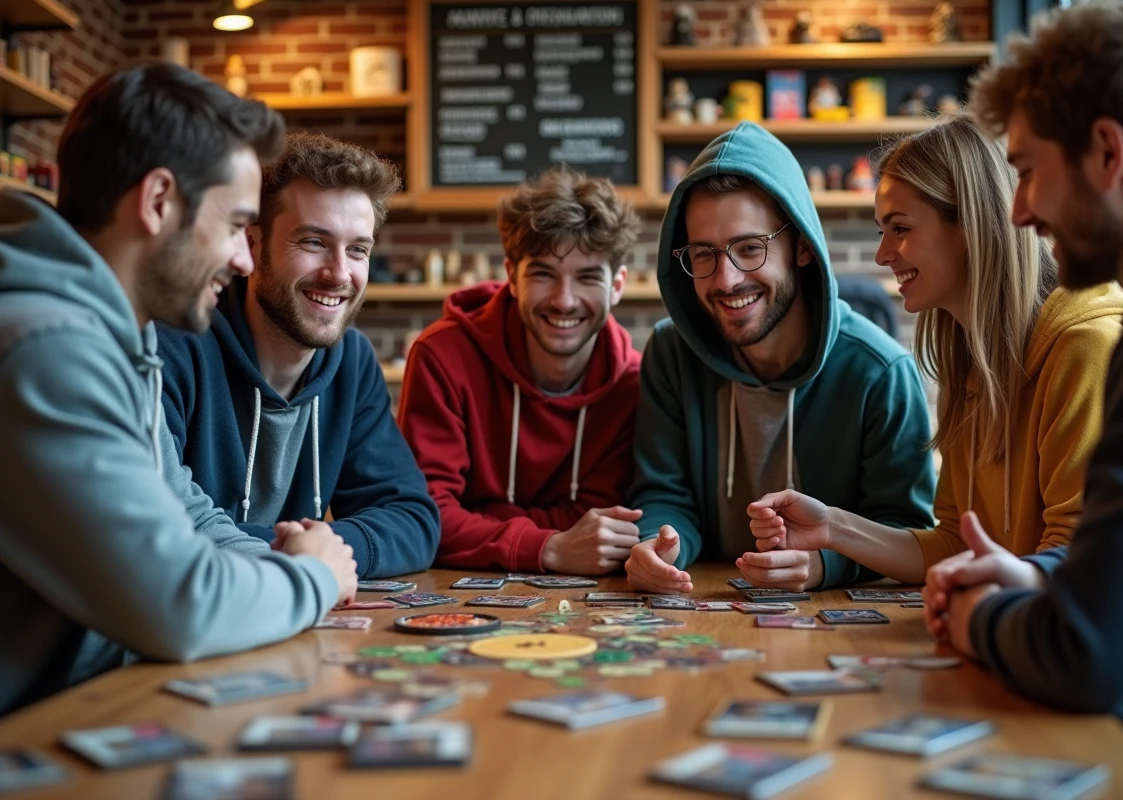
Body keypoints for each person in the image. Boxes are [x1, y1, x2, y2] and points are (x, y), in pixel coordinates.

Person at [0, 64, 357, 715]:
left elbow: (186, 513)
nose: (245, 260)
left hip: (92, 703)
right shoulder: (47, 348)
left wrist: (291, 558)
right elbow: (180, 605)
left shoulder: (119, 332)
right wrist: (312, 577)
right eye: (235, 226)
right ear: (159, 201)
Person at [920, 0, 1123, 778]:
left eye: (1027, 171)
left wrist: (980, 617)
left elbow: (1096, 657)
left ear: (1107, 152)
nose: (1017, 210)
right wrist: (1044, 577)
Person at [745, 116, 1123, 584]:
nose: (882, 255)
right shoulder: (969, 360)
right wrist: (832, 527)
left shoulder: (1087, 347)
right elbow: (952, 543)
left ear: (972, 225)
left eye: (900, 228)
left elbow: (1079, 563)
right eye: (882, 231)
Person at [624, 121, 936, 595]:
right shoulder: (670, 353)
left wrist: (823, 565)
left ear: (803, 246)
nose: (726, 280)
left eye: (750, 248)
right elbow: (664, 493)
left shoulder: (881, 371)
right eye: (704, 254)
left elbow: (905, 527)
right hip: (701, 599)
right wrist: (658, 545)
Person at [156, 131, 439, 579]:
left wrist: (327, 552)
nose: (339, 274)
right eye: (313, 242)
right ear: (252, 246)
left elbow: (413, 521)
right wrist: (304, 557)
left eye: (358, 250)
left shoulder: (352, 361)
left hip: (285, 605)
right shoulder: (173, 343)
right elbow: (159, 526)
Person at [398, 166, 642, 574]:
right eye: (543, 274)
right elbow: (424, 515)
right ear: (512, 277)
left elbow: (600, 523)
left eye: (587, 277)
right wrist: (549, 547)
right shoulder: (442, 356)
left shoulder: (631, 383)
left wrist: (479, 518)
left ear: (617, 285)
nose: (564, 300)